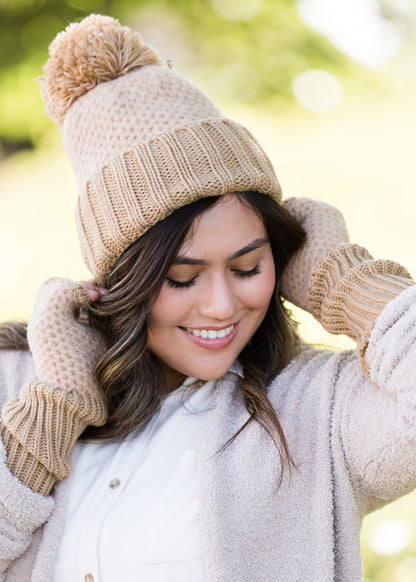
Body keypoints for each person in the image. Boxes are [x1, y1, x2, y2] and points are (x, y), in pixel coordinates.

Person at [0, 13, 414, 582]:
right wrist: (53, 409)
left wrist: (342, 281)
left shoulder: (318, 410)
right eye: (181, 279)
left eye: (247, 267)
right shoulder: (16, 382)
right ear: (122, 281)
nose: (221, 306)